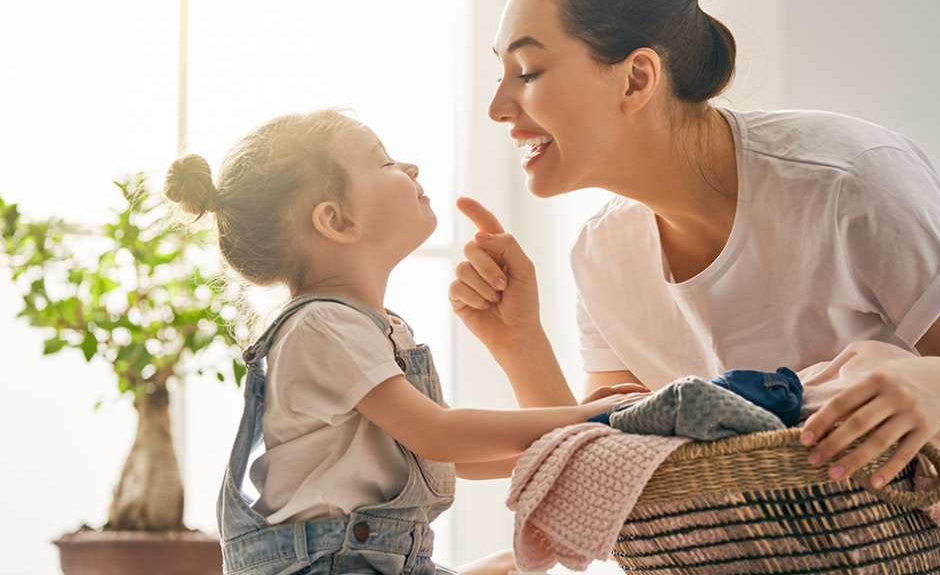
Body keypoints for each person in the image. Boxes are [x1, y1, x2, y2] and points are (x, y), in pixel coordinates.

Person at [449, 0, 940, 572]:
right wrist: (519, 340)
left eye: (527, 71)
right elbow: (614, 469)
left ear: (637, 78)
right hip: (800, 546)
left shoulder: (849, 183)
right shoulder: (603, 253)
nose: (498, 107)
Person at [164, 109, 646, 575]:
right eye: (385, 161)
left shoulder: (374, 328)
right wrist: (585, 416)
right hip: (330, 565)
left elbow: (443, 455)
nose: (410, 167)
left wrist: (571, 442)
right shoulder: (321, 326)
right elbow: (437, 433)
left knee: (509, 566)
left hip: (374, 559)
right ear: (336, 221)